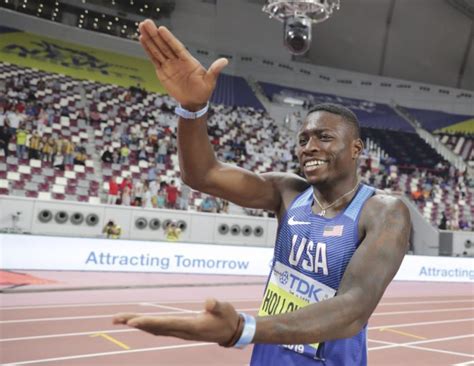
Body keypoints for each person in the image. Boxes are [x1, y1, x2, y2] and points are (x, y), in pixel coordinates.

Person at [113, 20, 410, 366]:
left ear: (356, 148)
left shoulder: (384, 212)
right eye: (303, 140)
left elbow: (353, 308)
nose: (309, 147)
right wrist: (193, 109)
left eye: (324, 137)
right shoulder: (287, 192)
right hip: (268, 357)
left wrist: (242, 328)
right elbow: (203, 174)